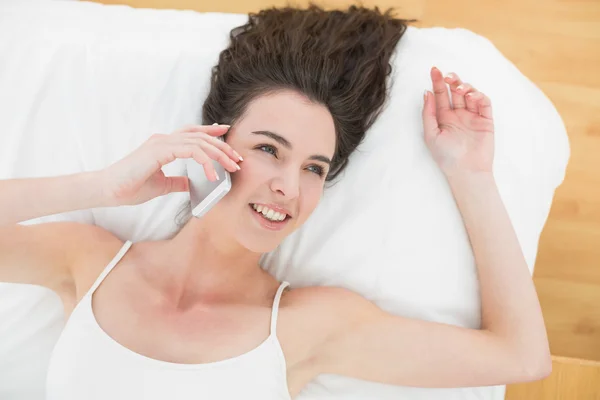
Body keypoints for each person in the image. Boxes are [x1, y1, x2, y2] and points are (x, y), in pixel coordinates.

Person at [0, 5, 551, 399]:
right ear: (213, 144)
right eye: (269, 149)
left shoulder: (308, 324)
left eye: (315, 168)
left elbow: (522, 357)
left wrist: (471, 174)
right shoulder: (90, 263)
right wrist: (102, 186)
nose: (291, 186)